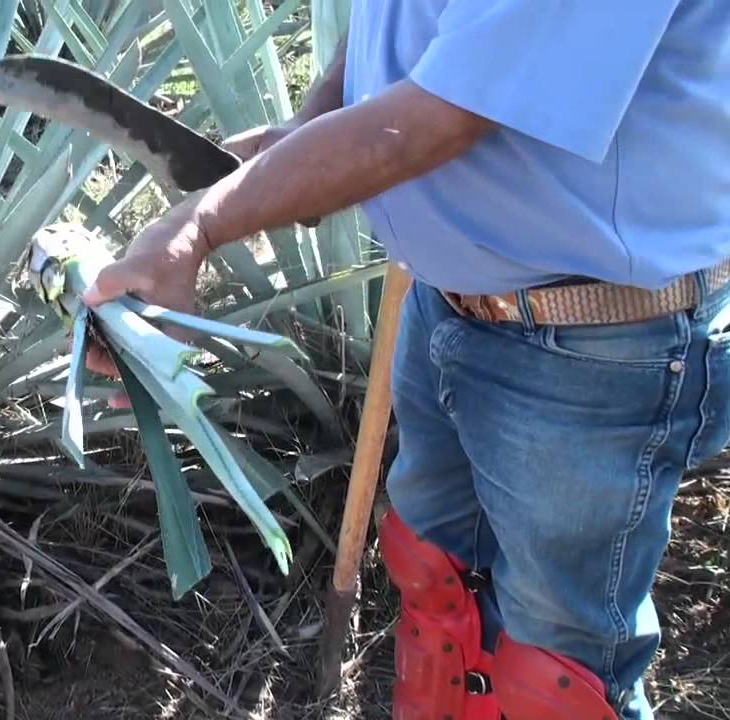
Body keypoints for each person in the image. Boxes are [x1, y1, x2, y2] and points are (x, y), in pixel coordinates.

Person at [79, 2, 730, 719]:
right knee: (438, 585)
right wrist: (310, 127)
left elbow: (439, 117)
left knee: (559, 673)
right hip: (448, 303)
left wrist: (200, 225)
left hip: (593, 350)